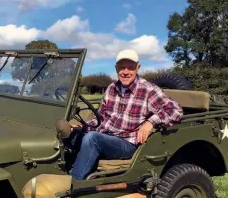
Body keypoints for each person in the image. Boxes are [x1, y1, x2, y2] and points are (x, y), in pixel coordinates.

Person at [69, 49, 183, 180]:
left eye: (131, 68)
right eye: (122, 68)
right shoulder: (111, 88)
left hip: (127, 143)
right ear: (116, 68)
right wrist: (83, 126)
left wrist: (150, 122)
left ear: (138, 68)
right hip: (106, 136)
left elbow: (175, 110)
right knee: (69, 135)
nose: (126, 72)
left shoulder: (148, 90)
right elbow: (102, 118)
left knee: (92, 139)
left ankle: (74, 184)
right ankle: (67, 171)